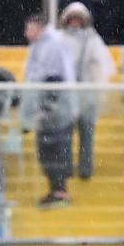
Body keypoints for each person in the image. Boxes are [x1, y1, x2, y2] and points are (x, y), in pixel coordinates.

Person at [22, 13, 77, 208]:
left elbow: (53, 78)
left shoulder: (51, 44)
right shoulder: (42, 45)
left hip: (55, 111)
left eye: (28, 28)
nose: (25, 33)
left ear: (38, 27)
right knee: (47, 150)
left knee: (54, 149)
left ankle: (59, 190)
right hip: (50, 111)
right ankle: (56, 189)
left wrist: (45, 107)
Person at [58, 1, 114, 179]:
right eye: (72, 19)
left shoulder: (93, 40)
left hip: (87, 95)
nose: (75, 23)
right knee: (65, 134)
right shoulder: (59, 40)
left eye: (78, 19)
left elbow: (103, 66)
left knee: (86, 133)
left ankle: (85, 169)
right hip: (67, 95)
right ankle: (65, 168)